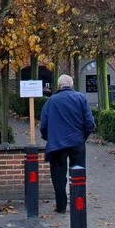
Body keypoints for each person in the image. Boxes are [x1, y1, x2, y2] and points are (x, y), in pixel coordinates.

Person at [39, 74, 95, 213]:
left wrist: (49, 138)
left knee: (58, 175)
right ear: (72, 85)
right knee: (78, 173)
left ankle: (61, 206)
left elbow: (43, 125)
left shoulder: (51, 101)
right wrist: (83, 137)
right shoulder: (81, 98)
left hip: (57, 143)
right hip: (77, 142)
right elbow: (90, 123)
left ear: (58, 86)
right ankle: (78, 203)